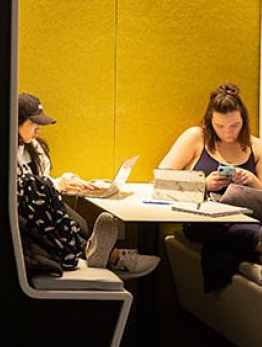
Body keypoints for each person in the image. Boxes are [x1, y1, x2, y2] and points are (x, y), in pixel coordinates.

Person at [159, 83, 262, 289]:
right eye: (219, 126)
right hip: (201, 218)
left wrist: (251, 180)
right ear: (209, 121)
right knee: (231, 229)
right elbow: (161, 181)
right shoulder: (196, 137)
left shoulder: (258, 148)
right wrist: (203, 184)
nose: (228, 132)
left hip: (245, 216)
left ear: (244, 121)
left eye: (234, 125)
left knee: (250, 226)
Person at [16, 93, 159, 279]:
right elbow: (23, 188)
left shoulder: (34, 147)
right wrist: (56, 185)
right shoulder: (2, 149)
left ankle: (102, 253)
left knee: (81, 224)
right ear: (15, 121)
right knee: (77, 223)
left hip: (40, 209)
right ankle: (112, 257)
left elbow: (42, 181)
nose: (39, 128)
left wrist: (68, 182)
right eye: (34, 123)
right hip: (24, 215)